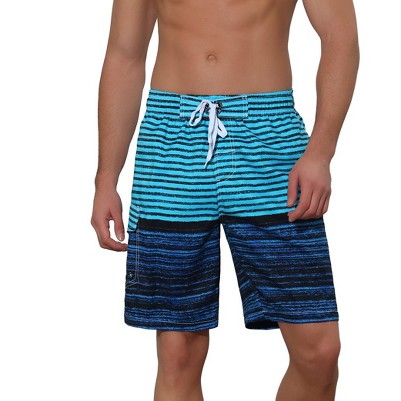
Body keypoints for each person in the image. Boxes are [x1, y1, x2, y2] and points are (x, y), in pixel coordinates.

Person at [91, 0, 359, 400]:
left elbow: (341, 38)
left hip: (270, 140)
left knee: (319, 350)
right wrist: (106, 178)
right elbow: (124, 55)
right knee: (178, 352)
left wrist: (320, 152)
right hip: (170, 141)